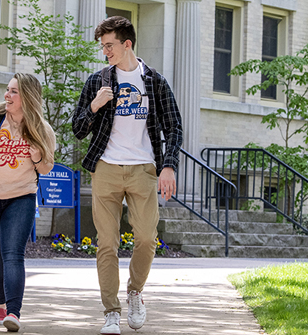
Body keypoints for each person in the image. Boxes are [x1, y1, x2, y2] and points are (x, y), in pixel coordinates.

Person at [71, 16, 183, 335]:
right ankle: (111, 311)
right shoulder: (98, 81)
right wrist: (94, 106)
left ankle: (135, 292)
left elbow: (174, 127)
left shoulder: (154, 82)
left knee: (146, 238)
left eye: (109, 45)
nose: (105, 51)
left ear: (127, 44)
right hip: (106, 168)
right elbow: (78, 129)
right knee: (107, 242)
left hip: (144, 168)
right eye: (102, 46)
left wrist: (169, 165)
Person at [0, 73, 56, 332]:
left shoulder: (41, 129)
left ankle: (13, 312)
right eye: (7, 90)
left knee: (13, 255)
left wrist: (37, 157)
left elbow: (47, 168)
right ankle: (0, 304)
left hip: (21, 197)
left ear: (27, 96)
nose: (7, 95)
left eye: (14, 91)